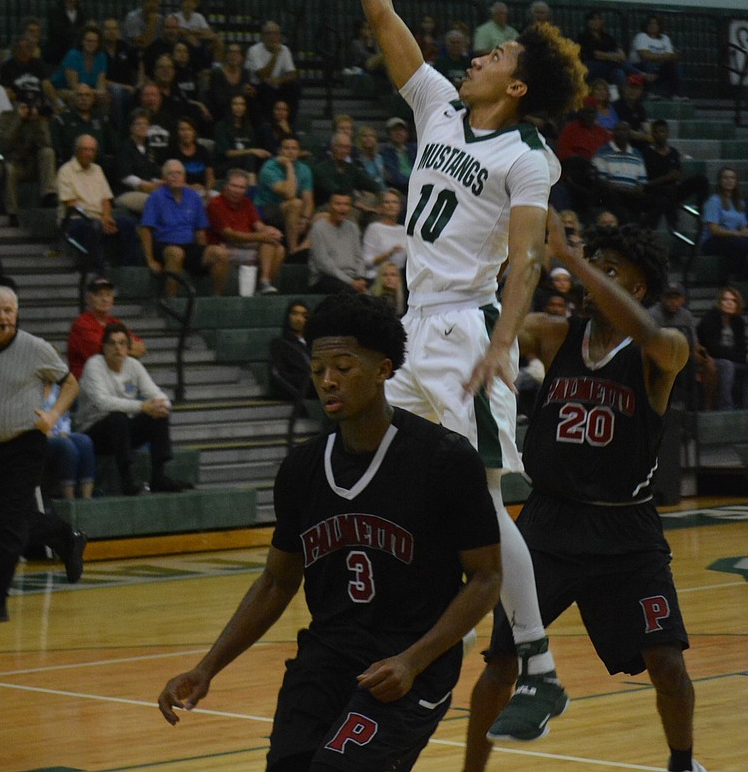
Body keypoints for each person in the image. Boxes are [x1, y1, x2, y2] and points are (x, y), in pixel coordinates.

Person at [325, 0, 586, 741]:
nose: (477, 55)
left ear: (516, 88)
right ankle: (392, 611)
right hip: (416, 329)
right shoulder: (437, 106)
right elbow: (380, 12)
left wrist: (500, 341)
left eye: (499, 54)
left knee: (478, 501)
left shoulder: (528, 157)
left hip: (467, 332)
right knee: (367, 458)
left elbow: (523, 260)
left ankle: (540, 669)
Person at [157, 292, 502, 770]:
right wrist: (207, 666)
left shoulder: (445, 459)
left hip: (408, 665)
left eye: (343, 366)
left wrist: (413, 661)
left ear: (383, 369)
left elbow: (485, 578)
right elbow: (277, 582)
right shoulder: (301, 469)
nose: (327, 381)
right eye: (318, 369)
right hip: (326, 658)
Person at [466, 212, 706, 772]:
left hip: (627, 530)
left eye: (608, 270)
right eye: (588, 268)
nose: (585, 280)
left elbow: (653, 336)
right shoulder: (557, 336)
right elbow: (495, 324)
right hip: (549, 525)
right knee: (502, 661)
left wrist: (572, 258)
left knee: (667, 662)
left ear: (637, 287)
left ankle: (683, 762)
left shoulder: (663, 349)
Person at [0, 285, 87, 624]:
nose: (3, 317)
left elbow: (70, 383)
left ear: (17, 312)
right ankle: (65, 537)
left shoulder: (35, 348)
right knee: (7, 521)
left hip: (26, 445)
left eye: (9, 311)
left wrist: (53, 416)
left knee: (11, 526)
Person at [75, 321, 190, 494]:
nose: (117, 348)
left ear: (128, 347)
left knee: (158, 414)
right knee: (118, 416)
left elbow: (156, 393)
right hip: (93, 433)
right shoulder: (94, 365)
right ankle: (127, 481)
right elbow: (103, 402)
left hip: (122, 432)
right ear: (104, 347)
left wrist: (161, 405)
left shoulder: (133, 365)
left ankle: (159, 476)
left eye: (122, 343)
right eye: (112, 343)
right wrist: (143, 405)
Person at [140, 159, 230, 295]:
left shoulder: (193, 197)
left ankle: (216, 299)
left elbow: (200, 231)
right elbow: (145, 229)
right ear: (164, 178)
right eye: (171, 174)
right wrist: (150, 260)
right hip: (164, 245)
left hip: (189, 245)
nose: (176, 176)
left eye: (179, 173)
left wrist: (202, 253)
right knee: (176, 253)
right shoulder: (156, 197)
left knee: (220, 253)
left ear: (184, 176)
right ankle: (171, 302)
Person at [206, 168, 286, 295]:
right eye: (234, 186)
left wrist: (271, 231)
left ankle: (264, 283)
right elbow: (229, 235)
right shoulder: (215, 204)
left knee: (278, 247)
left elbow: (259, 226)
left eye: (242, 187)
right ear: (226, 185)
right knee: (266, 240)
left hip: (248, 245)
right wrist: (261, 237)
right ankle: (218, 295)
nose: (237, 191)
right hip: (225, 245)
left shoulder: (246, 203)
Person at [56, 133, 127, 273]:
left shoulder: (98, 170)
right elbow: (71, 204)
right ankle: (98, 272)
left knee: (128, 225)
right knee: (94, 227)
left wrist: (106, 218)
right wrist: (99, 220)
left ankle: (127, 271)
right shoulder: (65, 171)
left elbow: (106, 199)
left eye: (92, 150)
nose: (89, 153)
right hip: (74, 219)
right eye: (85, 149)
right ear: (77, 150)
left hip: (98, 218)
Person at [0, 91, 58, 225]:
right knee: (9, 169)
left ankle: (49, 194)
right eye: (25, 105)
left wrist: (39, 122)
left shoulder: (36, 120)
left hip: (29, 165)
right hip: (8, 163)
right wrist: (18, 120)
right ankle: (12, 213)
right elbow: (3, 145)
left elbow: (46, 144)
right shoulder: (4, 117)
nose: (28, 109)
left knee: (47, 152)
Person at [67, 275, 147, 380]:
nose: (104, 299)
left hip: (114, 381)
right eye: (98, 295)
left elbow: (141, 348)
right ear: (88, 299)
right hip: (88, 384)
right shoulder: (82, 324)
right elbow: (106, 355)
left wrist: (117, 349)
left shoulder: (115, 322)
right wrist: (126, 345)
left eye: (108, 295)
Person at [254, 134, 315, 254]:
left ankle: (302, 248)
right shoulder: (269, 167)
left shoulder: (305, 169)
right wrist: (289, 167)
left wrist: (305, 219)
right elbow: (290, 193)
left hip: (291, 210)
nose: (290, 152)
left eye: (294, 148)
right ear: (280, 151)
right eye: (287, 148)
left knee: (322, 218)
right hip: (266, 208)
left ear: (299, 151)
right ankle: (293, 251)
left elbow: (308, 200)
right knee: (296, 203)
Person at [696, 287, 747, 410]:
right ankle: (725, 408)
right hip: (711, 360)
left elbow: (742, 347)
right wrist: (744, 357)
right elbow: (714, 350)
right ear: (720, 302)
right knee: (726, 365)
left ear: (738, 304)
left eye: (733, 300)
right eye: (725, 299)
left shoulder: (738, 321)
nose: (729, 303)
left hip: (733, 358)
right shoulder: (709, 319)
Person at [42, 382, 96, 499]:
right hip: (39, 434)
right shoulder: (30, 390)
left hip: (59, 432)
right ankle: (69, 498)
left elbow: (65, 416)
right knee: (66, 445)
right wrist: (43, 431)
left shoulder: (59, 389)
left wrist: (64, 431)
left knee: (84, 441)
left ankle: (87, 497)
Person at [308, 191, 368, 294]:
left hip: (352, 277)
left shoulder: (352, 227)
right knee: (348, 291)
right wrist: (351, 282)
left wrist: (361, 277)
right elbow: (323, 264)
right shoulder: (318, 228)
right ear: (330, 206)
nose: (342, 208)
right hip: (326, 278)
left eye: (346, 204)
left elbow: (359, 257)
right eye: (338, 204)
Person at [699, 167, 748, 274]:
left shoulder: (739, 202)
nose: (729, 181)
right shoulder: (714, 201)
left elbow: (742, 226)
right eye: (725, 178)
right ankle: (733, 277)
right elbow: (714, 229)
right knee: (741, 244)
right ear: (720, 181)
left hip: (732, 237)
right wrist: (737, 234)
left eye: (732, 178)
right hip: (713, 240)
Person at [591, 121, 648, 223]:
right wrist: (622, 189)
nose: (622, 133)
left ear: (629, 134)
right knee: (612, 196)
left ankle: (636, 231)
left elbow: (642, 181)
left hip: (631, 193)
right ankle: (626, 227)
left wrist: (636, 190)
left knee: (643, 199)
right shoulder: (603, 151)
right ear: (613, 133)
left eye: (625, 130)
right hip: (612, 192)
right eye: (619, 130)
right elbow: (600, 180)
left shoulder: (637, 154)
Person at [245, 20, 301, 122]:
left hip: (277, 85)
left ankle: (290, 123)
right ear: (263, 36)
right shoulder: (254, 50)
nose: (272, 37)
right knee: (266, 88)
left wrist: (278, 80)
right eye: (269, 33)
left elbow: (292, 74)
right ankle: (270, 123)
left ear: (279, 36)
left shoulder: (284, 49)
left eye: (275, 33)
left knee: (294, 85)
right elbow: (263, 75)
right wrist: (275, 55)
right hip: (258, 87)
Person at [113, 108, 165, 216]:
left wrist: (158, 182)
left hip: (147, 189)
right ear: (131, 128)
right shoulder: (125, 147)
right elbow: (125, 177)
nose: (143, 126)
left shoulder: (149, 149)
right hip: (126, 192)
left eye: (146, 124)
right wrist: (144, 184)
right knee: (157, 202)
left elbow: (153, 172)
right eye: (138, 124)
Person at [213, 92, 270, 181]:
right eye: (235, 104)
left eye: (242, 104)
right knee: (249, 157)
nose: (239, 107)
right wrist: (251, 150)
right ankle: (251, 188)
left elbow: (253, 150)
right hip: (224, 164)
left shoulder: (249, 127)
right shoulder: (221, 126)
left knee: (265, 159)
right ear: (230, 106)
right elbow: (227, 153)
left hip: (246, 163)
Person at [267, 298, 310, 404]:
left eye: (304, 315)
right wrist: (306, 379)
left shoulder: (313, 343)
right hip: (300, 389)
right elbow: (279, 374)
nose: (299, 319)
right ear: (288, 316)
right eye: (295, 314)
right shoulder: (280, 344)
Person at [629, 13, 683, 97]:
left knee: (675, 66)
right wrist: (663, 56)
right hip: (640, 66)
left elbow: (671, 56)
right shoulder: (641, 36)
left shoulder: (665, 38)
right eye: (650, 23)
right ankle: (650, 93)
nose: (653, 26)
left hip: (660, 65)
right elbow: (645, 56)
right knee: (650, 64)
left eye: (656, 24)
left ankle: (675, 95)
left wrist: (658, 57)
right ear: (646, 25)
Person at [362, 187, 407, 282]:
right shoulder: (374, 228)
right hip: (377, 278)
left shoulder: (403, 230)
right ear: (381, 207)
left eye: (395, 202)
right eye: (387, 202)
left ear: (400, 207)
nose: (391, 205)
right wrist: (388, 254)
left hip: (399, 279)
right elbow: (366, 262)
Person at [577, 9, 627, 91]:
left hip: (609, 65)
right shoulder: (583, 37)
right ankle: (640, 73)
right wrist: (611, 57)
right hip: (590, 66)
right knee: (615, 64)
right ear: (588, 22)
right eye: (593, 19)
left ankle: (623, 98)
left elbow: (619, 50)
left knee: (618, 73)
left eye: (598, 19)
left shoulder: (606, 37)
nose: (596, 21)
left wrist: (618, 56)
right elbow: (595, 54)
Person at [381, 116, 416, 194]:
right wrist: (414, 181)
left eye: (401, 130)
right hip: (399, 190)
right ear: (389, 134)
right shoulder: (385, 153)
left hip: (417, 187)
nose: (399, 133)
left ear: (406, 133)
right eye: (395, 130)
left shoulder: (414, 149)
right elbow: (394, 177)